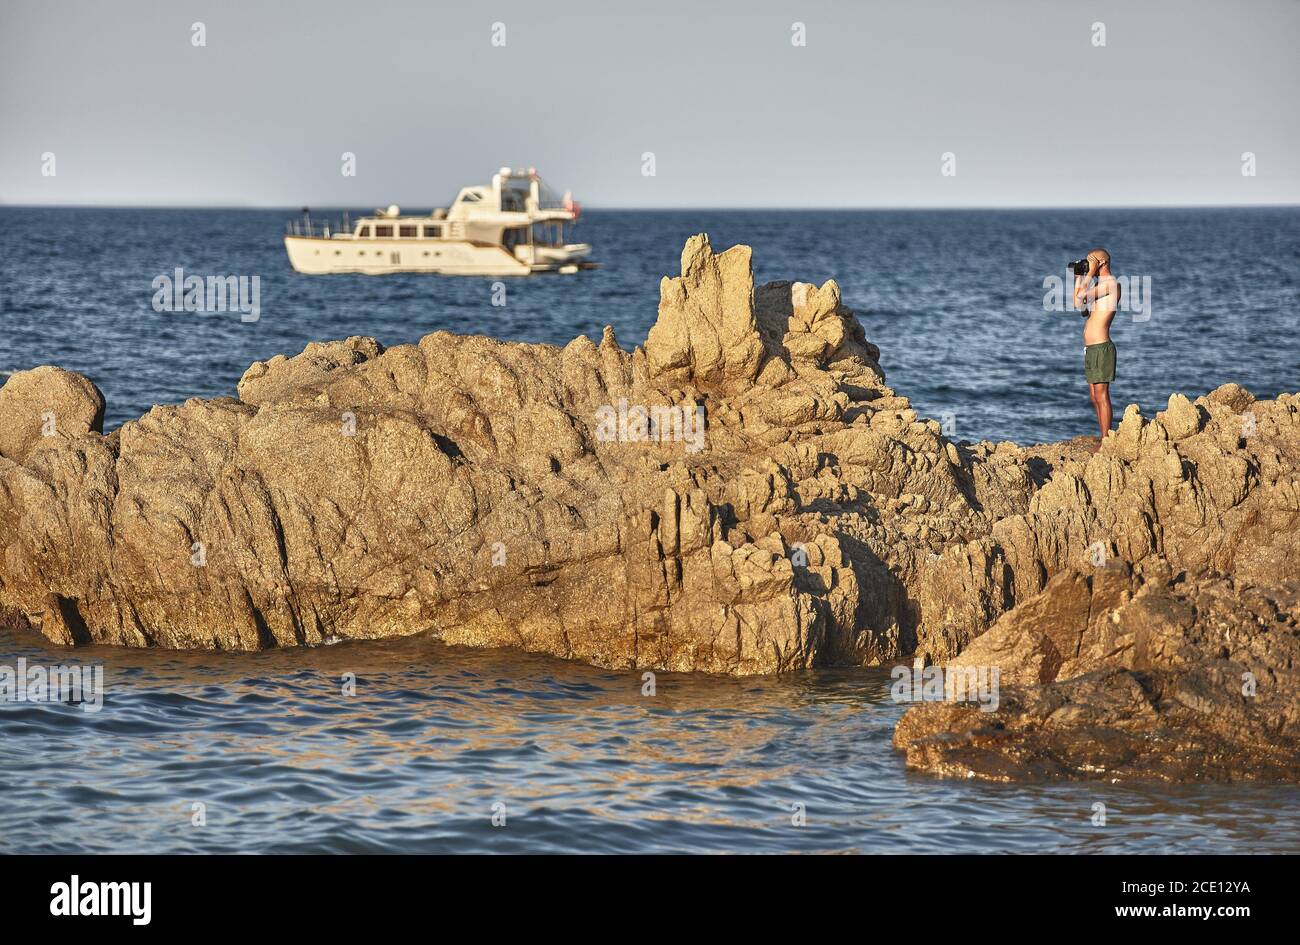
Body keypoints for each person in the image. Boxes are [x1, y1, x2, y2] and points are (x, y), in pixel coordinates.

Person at [1073, 248, 1121, 446]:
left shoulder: (1112, 284)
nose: (1088, 262)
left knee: (1102, 396)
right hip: (1091, 349)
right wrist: (1079, 276)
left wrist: (1089, 273)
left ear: (1102, 263)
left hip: (1102, 347)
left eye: (1091, 260)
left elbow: (1081, 296)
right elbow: (1078, 304)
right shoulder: (1100, 286)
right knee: (1094, 397)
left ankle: (1106, 440)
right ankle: (1103, 436)